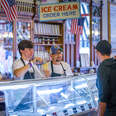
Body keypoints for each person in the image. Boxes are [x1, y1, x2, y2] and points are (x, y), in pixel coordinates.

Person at [95, 40, 116, 116]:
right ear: (110, 51)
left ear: (97, 52)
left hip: (110, 110)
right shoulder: (114, 63)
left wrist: (100, 113)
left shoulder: (103, 67)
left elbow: (103, 95)